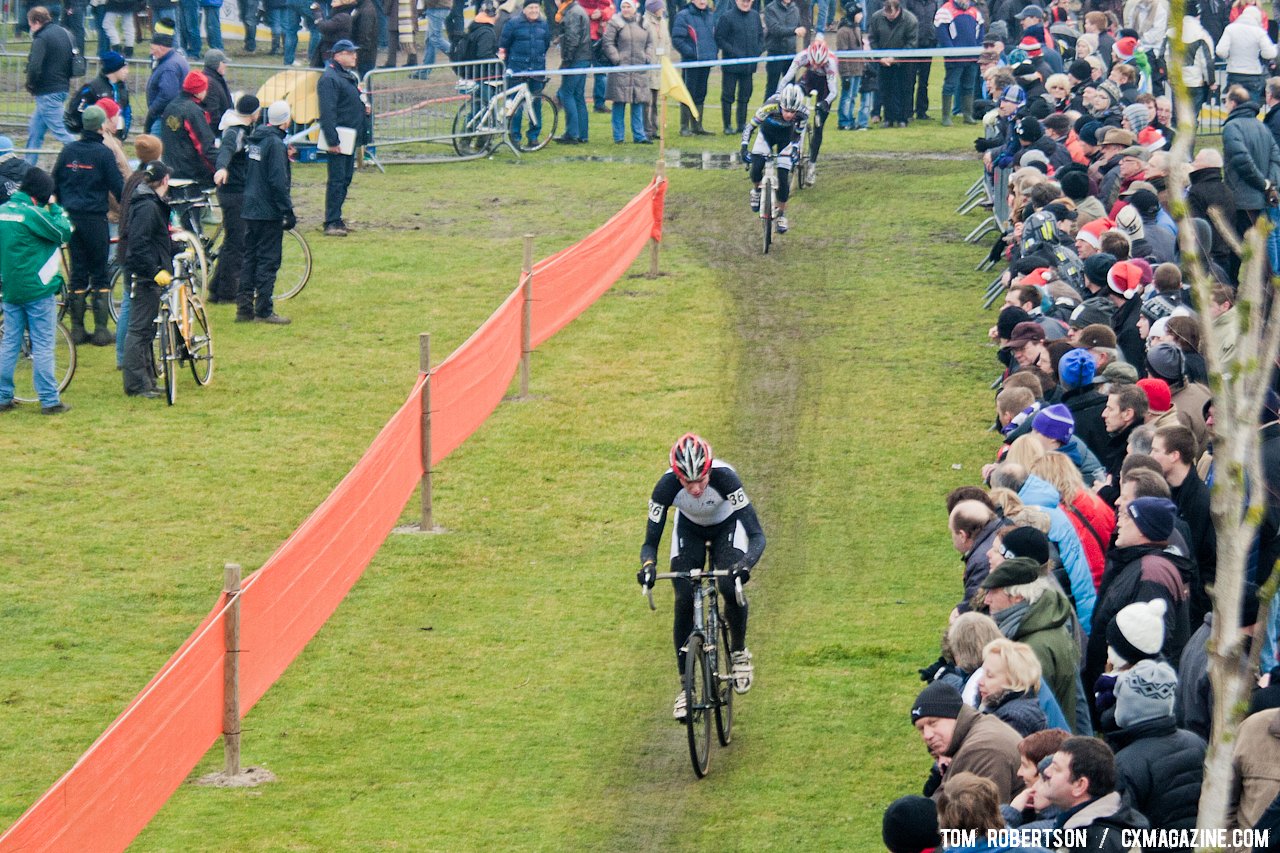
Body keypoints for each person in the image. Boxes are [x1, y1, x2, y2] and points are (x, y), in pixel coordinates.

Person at [637, 433, 765, 720]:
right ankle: (686, 689)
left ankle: (739, 652)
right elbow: (650, 543)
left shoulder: (726, 478)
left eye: (700, 481)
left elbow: (757, 535)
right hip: (689, 530)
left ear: (708, 470)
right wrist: (648, 566)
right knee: (683, 597)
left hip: (727, 526)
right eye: (687, 482)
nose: (695, 489)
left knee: (728, 586)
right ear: (677, 477)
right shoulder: (665, 486)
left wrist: (745, 563)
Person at [0, 168, 73, 415]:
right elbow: (63, 231)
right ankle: (49, 399)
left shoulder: (3, 212)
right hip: (37, 289)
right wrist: (54, 207)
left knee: (10, 343)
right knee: (42, 344)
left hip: (11, 289)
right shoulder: (32, 214)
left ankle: (3, 396)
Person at [52, 104, 124, 348]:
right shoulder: (103, 153)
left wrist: (63, 208)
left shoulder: (68, 150)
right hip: (95, 219)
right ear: (102, 126)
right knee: (100, 271)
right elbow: (117, 186)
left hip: (71, 219)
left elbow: (55, 183)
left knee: (78, 272)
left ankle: (77, 330)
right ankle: (102, 330)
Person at [910, 681, 1024, 802]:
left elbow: (977, 816)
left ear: (954, 716)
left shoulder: (982, 750)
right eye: (921, 729)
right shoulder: (980, 727)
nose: (927, 735)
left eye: (933, 723)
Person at [121, 160, 178, 398]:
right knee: (139, 331)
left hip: (146, 272)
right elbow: (139, 245)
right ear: (164, 180)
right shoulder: (148, 207)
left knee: (144, 330)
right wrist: (154, 271)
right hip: (145, 276)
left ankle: (146, 379)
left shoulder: (148, 202)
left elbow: (153, 240)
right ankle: (136, 384)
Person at [239, 100, 296, 325]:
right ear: (285, 121)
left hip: (250, 207)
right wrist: (287, 210)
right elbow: (277, 181)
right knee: (268, 259)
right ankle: (264, 309)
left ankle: (244, 307)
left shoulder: (257, 140)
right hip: (267, 210)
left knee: (250, 257)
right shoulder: (274, 144)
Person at [1039, 737, 1149, 846]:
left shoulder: (1097, 843)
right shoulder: (1084, 828)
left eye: (1056, 768)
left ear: (1080, 785)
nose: (1046, 771)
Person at [210, 95, 259, 304]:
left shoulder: (243, 130)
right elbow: (226, 150)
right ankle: (229, 292)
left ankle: (216, 287)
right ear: (253, 113)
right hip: (233, 192)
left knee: (232, 240)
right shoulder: (236, 131)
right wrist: (221, 168)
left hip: (237, 190)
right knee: (237, 242)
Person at [317, 39, 368, 236]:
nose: (354, 55)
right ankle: (331, 221)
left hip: (349, 137)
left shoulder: (345, 76)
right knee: (337, 180)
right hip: (340, 138)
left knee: (345, 178)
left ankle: (336, 218)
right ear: (337, 55)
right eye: (350, 52)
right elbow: (327, 112)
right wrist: (333, 140)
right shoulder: (330, 79)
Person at [742, 83, 809, 234]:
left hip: (786, 140)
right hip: (766, 136)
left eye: (793, 112)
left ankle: (782, 214)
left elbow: (798, 134)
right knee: (756, 168)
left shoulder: (803, 114)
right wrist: (744, 147)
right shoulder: (769, 106)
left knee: (783, 178)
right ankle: (756, 191)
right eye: (786, 111)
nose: (790, 115)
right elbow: (750, 127)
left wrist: (794, 149)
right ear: (781, 105)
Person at [778, 36, 839, 185]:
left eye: (820, 64)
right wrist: (779, 95)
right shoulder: (802, 56)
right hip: (809, 79)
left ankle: (812, 165)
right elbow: (786, 79)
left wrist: (825, 103)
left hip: (825, 86)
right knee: (793, 101)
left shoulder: (831, 62)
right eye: (814, 63)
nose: (817, 66)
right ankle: (793, 142)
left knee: (819, 126)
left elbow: (833, 91)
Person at [24, 6, 78, 166]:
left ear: (36, 22)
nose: (30, 28)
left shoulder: (41, 38)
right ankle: (27, 168)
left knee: (62, 132)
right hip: (62, 87)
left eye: (30, 24)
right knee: (35, 130)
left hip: (47, 91)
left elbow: (34, 67)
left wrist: (30, 84)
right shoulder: (65, 33)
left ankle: (84, 159)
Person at [501, 1, 551, 147]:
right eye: (531, 7)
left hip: (537, 70)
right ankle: (514, 137)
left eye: (536, 7)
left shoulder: (543, 24)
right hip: (517, 69)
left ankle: (534, 135)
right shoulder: (513, 23)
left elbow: (546, 43)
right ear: (524, 9)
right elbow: (504, 44)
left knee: (535, 103)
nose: (534, 10)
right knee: (515, 104)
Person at [602, 0, 653, 144]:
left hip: (639, 68)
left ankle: (639, 135)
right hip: (620, 69)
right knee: (619, 103)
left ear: (634, 7)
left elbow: (650, 42)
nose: (625, 9)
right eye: (623, 6)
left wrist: (647, 57)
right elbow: (608, 42)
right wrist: (616, 59)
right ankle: (619, 136)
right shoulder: (615, 22)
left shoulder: (643, 22)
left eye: (628, 6)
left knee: (638, 102)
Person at [160, 71, 218, 188]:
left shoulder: (171, 106)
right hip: (190, 171)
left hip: (170, 166)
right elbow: (204, 146)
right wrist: (220, 166)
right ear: (198, 92)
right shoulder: (193, 111)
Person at [715, 0, 764, 134]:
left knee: (745, 95)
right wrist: (733, 51)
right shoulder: (727, 17)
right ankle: (727, 125)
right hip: (731, 65)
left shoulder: (755, 16)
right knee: (728, 95)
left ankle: (741, 124)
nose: (746, 3)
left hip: (748, 67)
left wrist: (757, 51)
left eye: (748, 1)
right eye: (743, 1)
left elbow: (761, 36)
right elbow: (719, 38)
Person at [867, 0, 917, 128]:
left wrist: (896, 58)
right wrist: (880, 57)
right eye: (886, 13)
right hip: (883, 62)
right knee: (885, 89)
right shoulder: (876, 18)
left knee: (904, 89)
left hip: (904, 62)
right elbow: (873, 39)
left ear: (898, 10)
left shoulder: (910, 20)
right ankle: (888, 118)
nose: (889, 16)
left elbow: (911, 43)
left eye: (892, 14)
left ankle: (903, 118)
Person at [671, 0, 716, 137]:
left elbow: (713, 37)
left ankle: (697, 126)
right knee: (688, 94)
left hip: (706, 61)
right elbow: (677, 39)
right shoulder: (683, 15)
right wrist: (692, 53)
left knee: (701, 93)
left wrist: (711, 52)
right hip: (691, 62)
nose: (702, 1)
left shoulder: (710, 15)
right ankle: (684, 127)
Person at [935, 0, 983, 127]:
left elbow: (980, 32)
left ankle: (967, 114)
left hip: (972, 56)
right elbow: (942, 33)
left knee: (969, 86)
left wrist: (977, 49)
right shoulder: (945, 10)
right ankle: (946, 116)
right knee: (950, 85)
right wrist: (951, 52)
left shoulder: (975, 11)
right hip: (954, 57)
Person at [66, 50, 131, 141]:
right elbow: (79, 111)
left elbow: (127, 110)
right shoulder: (92, 88)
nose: (127, 71)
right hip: (97, 139)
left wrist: (124, 131)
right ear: (114, 69)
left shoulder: (122, 88)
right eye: (123, 68)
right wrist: (93, 131)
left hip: (117, 138)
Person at [1216, 6, 1275, 104]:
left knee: (1234, 104)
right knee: (1251, 105)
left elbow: (1220, 51)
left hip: (1234, 72)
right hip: (1253, 73)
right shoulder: (1259, 32)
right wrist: (1261, 53)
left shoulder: (1230, 29)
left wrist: (1229, 56)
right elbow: (1270, 53)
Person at [552, 0, 591, 143]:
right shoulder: (577, 10)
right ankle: (582, 134)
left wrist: (567, 61)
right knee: (578, 96)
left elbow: (572, 39)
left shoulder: (572, 13)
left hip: (576, 59)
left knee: (566, 93)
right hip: (583, 57)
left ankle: (572, 133)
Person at [144, 28, 190, 135]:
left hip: (163, 117)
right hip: (172, 114)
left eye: (152, 48)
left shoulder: (169, 67)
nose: (151, 52)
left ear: (161, 47)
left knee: (154, 149)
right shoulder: (176, 59)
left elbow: (167, 95)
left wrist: (152, 110)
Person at [763, 0, 806, 99]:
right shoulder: (770, 8)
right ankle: (768, 113)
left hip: (791, 54)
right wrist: (794, 31)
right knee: (772, 88)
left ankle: (788, 113)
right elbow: (775, 29)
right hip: (775, 53)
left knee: (790, 89)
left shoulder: (795, 9)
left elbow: (799, 27)